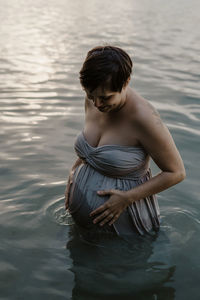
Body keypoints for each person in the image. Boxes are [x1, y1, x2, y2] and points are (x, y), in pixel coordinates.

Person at [64, 45, 186, 236]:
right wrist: (73, 173)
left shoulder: (144, 119)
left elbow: (176, 173)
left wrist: (127, 198)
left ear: (126, 82)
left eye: (105, 97)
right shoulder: (93, 100)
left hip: (125, 225)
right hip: (83, 224)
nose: (97, 104)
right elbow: (93, 149)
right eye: (90, 95)